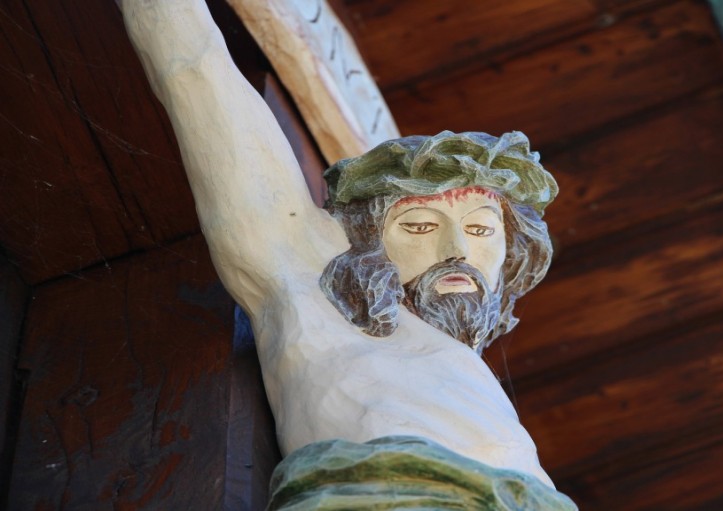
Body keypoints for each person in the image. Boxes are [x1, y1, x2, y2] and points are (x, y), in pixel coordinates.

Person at [122, 1, 575, 508]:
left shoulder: (466, 372)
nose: (457, 250)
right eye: (419, 226)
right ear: (364, 239)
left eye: (481, 229)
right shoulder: (311, 284)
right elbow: (195, 71)